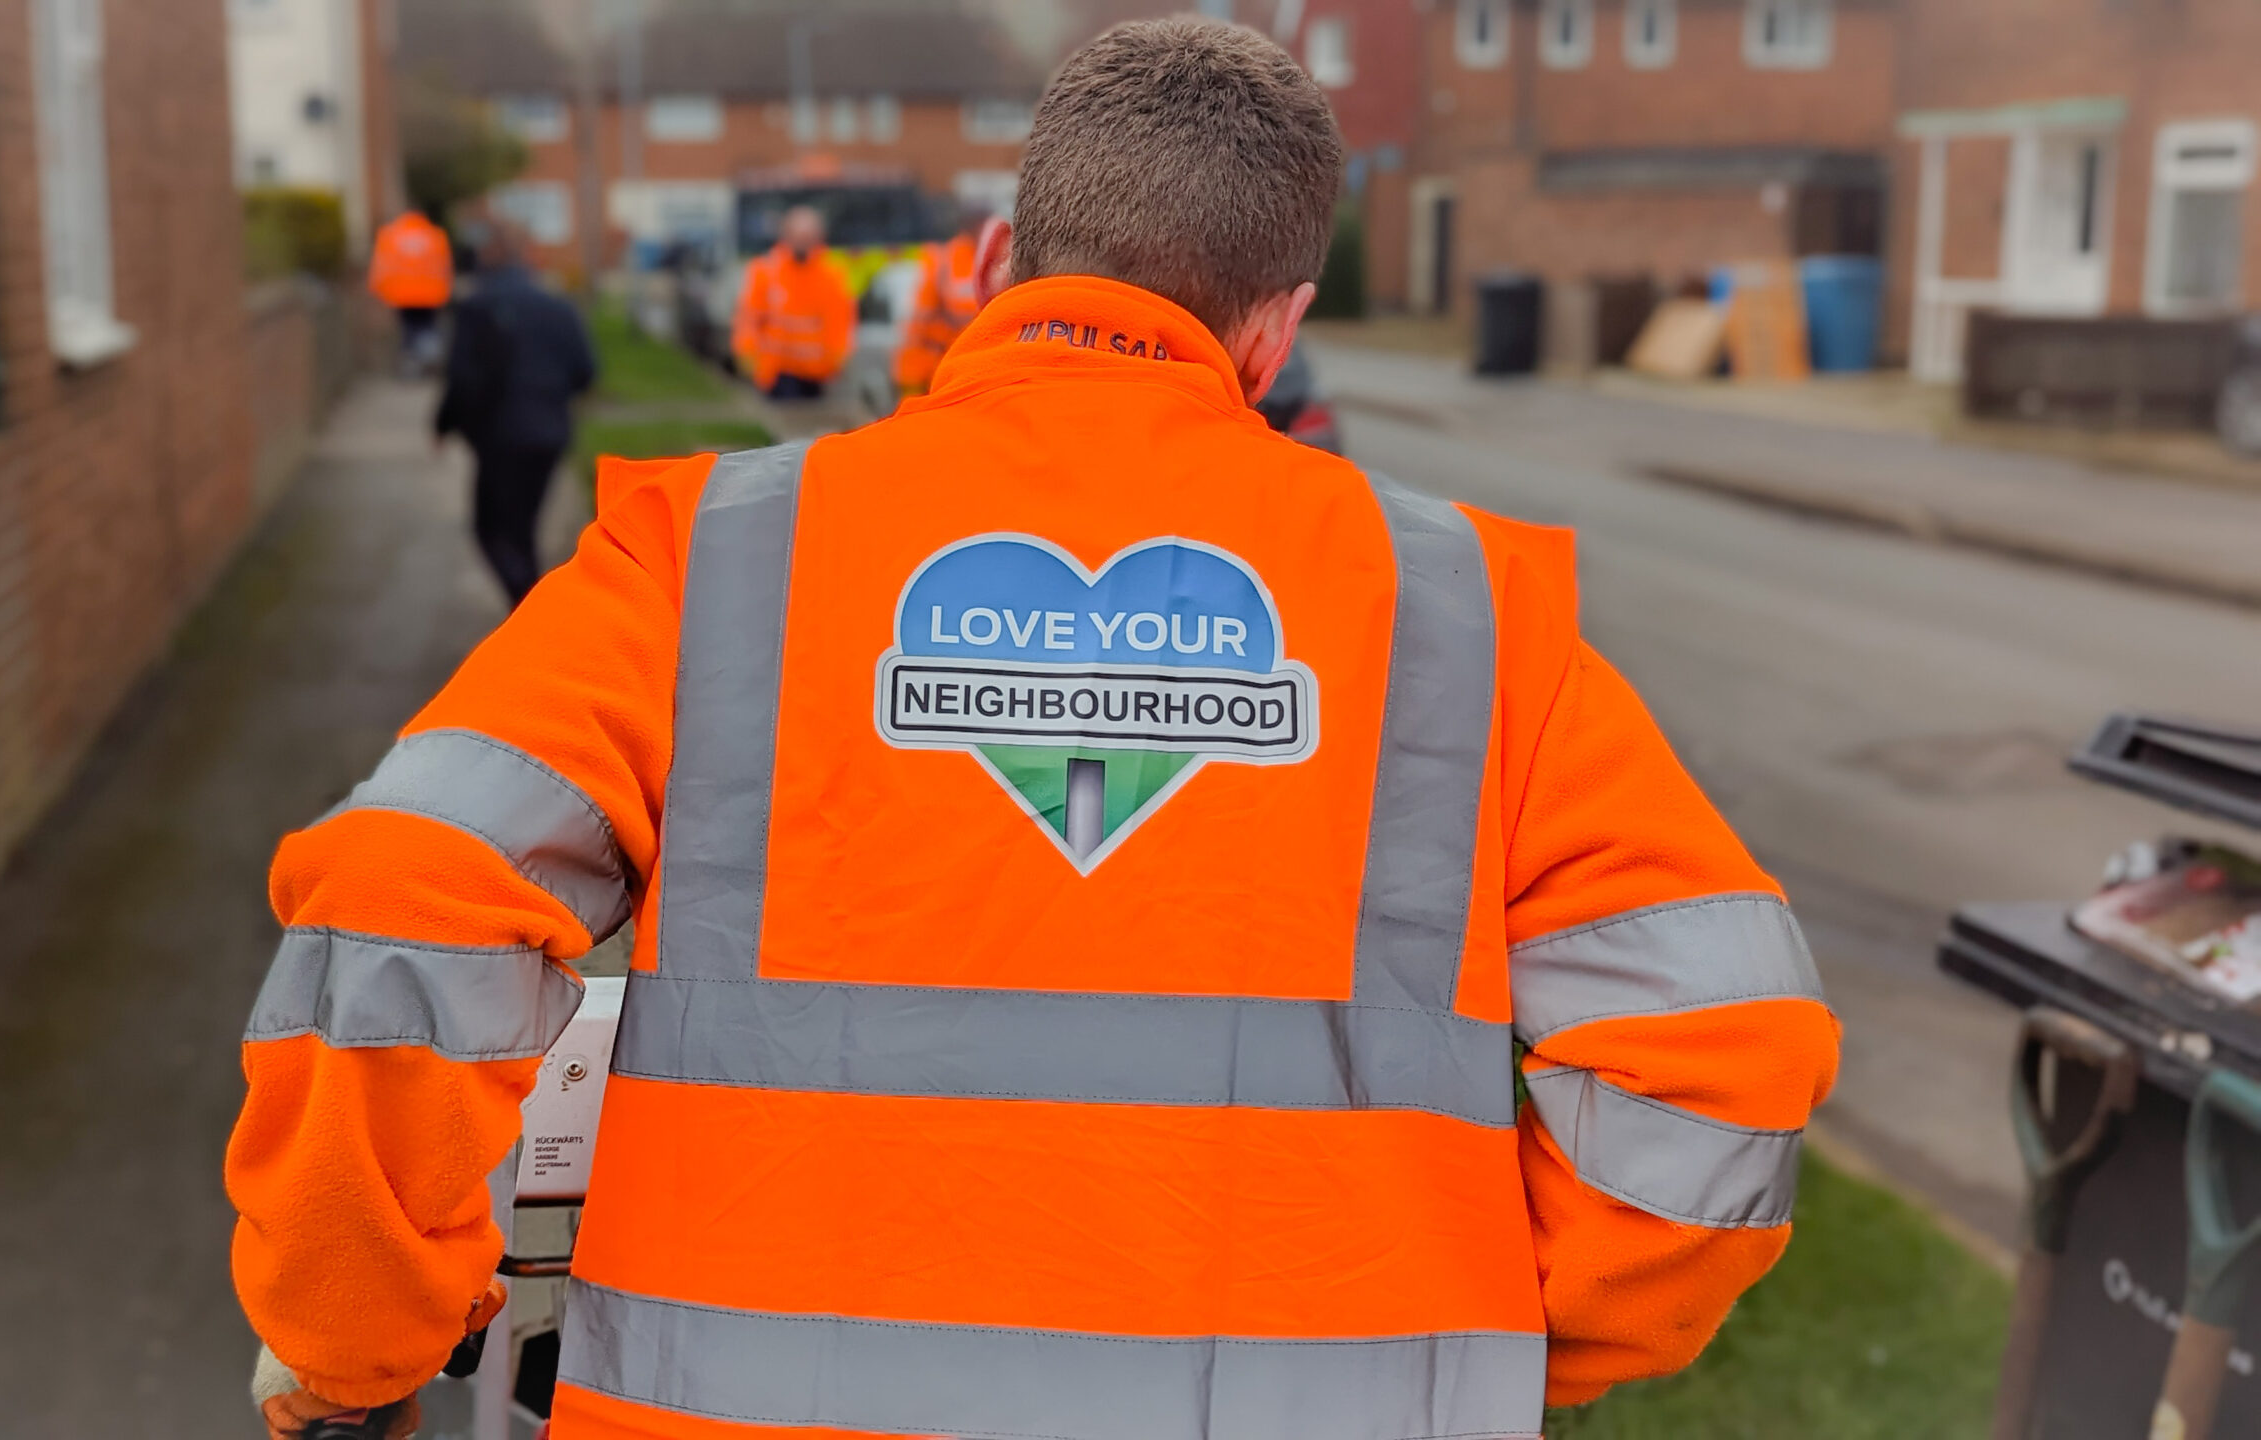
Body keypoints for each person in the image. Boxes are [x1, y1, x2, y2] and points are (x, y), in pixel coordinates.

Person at [229, 19, 1839, 1440]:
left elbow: (397, 913)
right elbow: (1724, 1048)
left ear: (999, 263)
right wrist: (1508, 1333)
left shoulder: (716, 560)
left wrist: (353, 1344)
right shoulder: (1467, 617)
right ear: (1275, 331)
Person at [430, 221, 597, 607]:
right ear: (527, 258)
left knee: (490, 529)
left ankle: (530, 610)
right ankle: (531, 610)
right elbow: (586, 371)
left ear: (489, 257)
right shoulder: (558, 307)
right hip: (550, 435)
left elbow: (462, 379)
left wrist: (444, 424)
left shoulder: (476, 307)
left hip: (500, 438)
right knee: (522, 529)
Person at [729, 205, 855, 400]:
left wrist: (839, 356)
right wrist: (746, 351)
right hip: (777, 371)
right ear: (786, 235)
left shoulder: (832, 273)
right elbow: (749, 317)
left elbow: (840, 319)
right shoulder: (766, 270)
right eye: (798, 236)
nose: (802, 243)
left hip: (818, 372)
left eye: (807, 237)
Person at [890, 203, 990, 399]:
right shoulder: (945, 259)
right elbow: (927, 314)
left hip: (961, 365)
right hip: (930, 365)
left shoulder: (987, 259)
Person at [367, 209, 455, 375]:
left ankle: (413, 362)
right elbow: (445, 266)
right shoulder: (435, 235)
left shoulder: (390, 236)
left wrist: (377, 291)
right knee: (427, 327)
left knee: (409, 329)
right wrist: (446, 291)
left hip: (401, 294)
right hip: (431, 294)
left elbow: (381, 266)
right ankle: (429, 357)